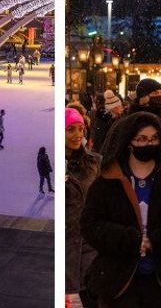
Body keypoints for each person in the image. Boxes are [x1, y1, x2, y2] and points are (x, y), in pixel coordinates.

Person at [80, 111, 161, 307]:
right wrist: (130, 239)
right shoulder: (108, 180)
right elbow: (90, 223)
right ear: (129, 142)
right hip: (118, 278)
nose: (148, 144)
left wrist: (158, 239)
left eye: (154, 138)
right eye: (142, 139)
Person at [65, 106, 101, 307]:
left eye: (80, 129)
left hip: (90, 249)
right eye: (71, 129)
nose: (78, 135)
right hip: (67, 252)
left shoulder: (94, 162)